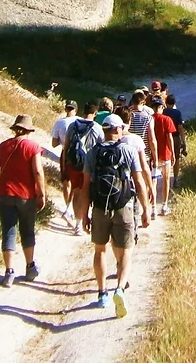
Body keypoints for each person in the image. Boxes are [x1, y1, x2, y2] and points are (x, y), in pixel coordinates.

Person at [81, 114, 150, 318]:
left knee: (100, 250)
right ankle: (119, 288)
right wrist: (146, 210)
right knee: (127, 250)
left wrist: (84, 214)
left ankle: (102, 293)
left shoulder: (92, 153)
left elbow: (85, 186)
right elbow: (139, 182)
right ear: (119, 130)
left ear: (104, 130)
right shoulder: (128, 151)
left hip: (100, 208)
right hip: (124, 207)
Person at [0, 114, 46, 288]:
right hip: (26, 196)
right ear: (29, 130)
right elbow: (37, 172)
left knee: (8, 232)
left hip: (5, 194)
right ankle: (29, 267)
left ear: (15, 129)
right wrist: (41, 194)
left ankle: (9, 272)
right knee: (27, 231)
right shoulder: (33, 147)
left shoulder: (2, 146)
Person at [64, 101, 104, 236]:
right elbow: (102, 148)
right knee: (85, 192)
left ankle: (77, 223)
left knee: (76, 192)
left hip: (73, 163)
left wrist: (64, 165)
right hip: (88, 165)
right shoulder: (97, 128)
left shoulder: (72, 125)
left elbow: (66, 147)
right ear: (95, 113)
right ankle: (84, 220)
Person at [115, 105, 154, 213]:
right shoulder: (136, 140)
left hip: (112, 184)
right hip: (130, 185)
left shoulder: (108, 139)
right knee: (133, 214)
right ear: (130, 120)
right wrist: (150, 188)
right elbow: (144, 166)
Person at [129, 90, 158, 217]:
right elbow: (151, 139)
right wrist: (155, 157)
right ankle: (143, 209)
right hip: (143, 155)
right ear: (143, 102)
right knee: (143, 183)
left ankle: (131, 207)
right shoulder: (148, 118)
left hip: (128, 154)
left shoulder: (128, 115)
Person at [51, 100, 80, 219]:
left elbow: (54, 143)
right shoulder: (80, 121)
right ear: (76, 110)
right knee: (76, 182)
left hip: (66, 152)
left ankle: (68, 207)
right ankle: (73, 208)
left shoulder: (59, 123)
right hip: (79, 152)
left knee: (66, 181)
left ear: (65, 109)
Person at [149, 96, 176, 215]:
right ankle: (164, 206)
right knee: (165, 180)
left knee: (153, 181)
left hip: (152, 155)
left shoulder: (149, 119)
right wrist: (173, 153)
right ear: (161, 107)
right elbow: (169, 138)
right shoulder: (167, 119)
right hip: (165, 154)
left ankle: (153, 207)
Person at [164, 94, 187, 188]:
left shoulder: (163, 112)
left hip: (164, 137)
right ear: (174, 103)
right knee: (176, 158)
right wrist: (184, 141)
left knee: (166, 158)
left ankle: (166, 179)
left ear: (166, 103)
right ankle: (175, 179)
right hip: (175, 137)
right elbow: (180, 127)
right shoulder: (177, 113)